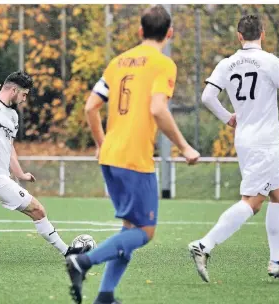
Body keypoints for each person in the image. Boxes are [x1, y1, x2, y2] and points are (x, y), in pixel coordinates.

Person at [65, 5, 200, 304]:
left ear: (140, 31)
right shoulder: (163, 64)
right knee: (145, 232)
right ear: (170, 33)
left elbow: (90, 107)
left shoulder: (118, 62)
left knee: (129, 228)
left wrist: (102, 143)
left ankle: (105, 296)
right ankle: (82, 262)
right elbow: (157, 109)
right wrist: (185, 146)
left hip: (111, 155)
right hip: (134, 159)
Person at [188, 15, 279, 283]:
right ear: (263, 33)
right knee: (252, 203)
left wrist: (228, 117)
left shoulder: (227, 63)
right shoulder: (270, 61)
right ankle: (203, 246)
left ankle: (278, 262)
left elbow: (207, 96)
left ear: (239, 36)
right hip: (264, 143)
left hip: (246, 138)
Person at [0, 71, 91, 257]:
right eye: (24, 94)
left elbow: (9, 147)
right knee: (38, 210)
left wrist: (20, 174)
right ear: (14, 90)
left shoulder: (13, 116)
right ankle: (68, 252)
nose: (24, 99)